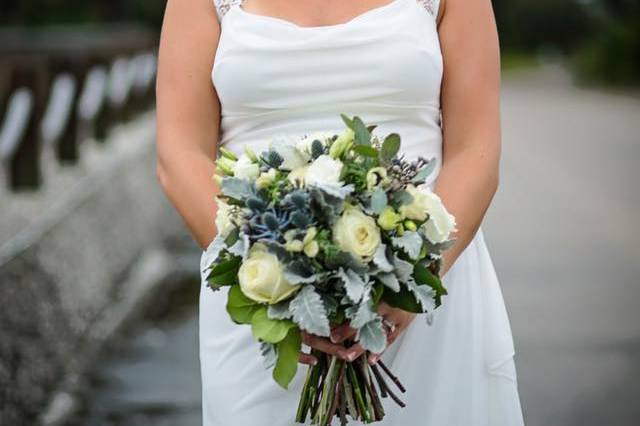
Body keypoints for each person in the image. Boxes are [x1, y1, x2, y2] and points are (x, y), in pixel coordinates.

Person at [155, 0, 525, 424]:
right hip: (264, 305)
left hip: (423, 297)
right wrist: (275, 284)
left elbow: (475, 150)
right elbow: (179, 153)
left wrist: (411, 284)